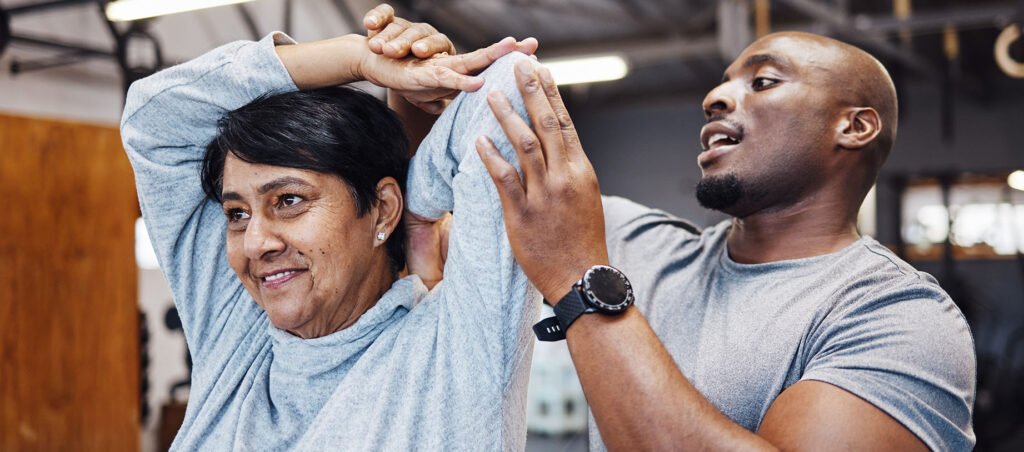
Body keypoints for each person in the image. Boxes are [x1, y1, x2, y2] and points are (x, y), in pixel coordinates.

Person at [472, 31, 975, 450]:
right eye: (723, 84)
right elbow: (451, 203)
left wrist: (578, 277)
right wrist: (418, 87)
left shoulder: (899, 316)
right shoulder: (642, 246)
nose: (714, 97)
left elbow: (574, 257)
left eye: (763, 81)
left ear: (854, 125)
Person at [120, 5, 544, 450]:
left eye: (288, 201)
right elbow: (154, 119)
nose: (256, 243)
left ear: (381, 209)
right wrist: (355, 58)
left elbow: (511, 86)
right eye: (237, 214)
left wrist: (416, 213)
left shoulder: (453, 353)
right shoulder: (237, 338)